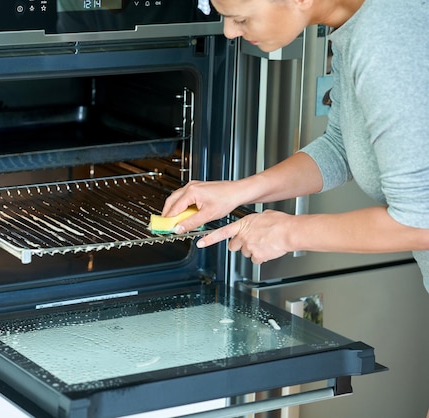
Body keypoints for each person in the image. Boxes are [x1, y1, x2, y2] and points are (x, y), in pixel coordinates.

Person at [162, 0, 429, 290]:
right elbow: (341, 147)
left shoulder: (387, 36)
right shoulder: (352, 26)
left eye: (239, 18)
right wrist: (238, 191)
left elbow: (420, 221)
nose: (228, 32)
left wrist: (289, 233)